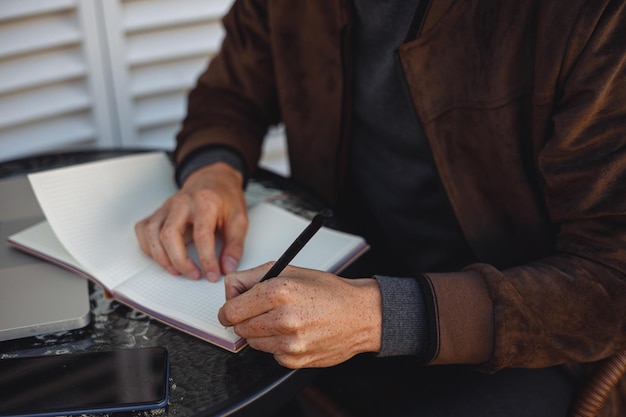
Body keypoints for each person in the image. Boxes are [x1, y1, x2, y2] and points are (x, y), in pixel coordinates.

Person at [135, 1, 626, 416]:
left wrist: (380, 315)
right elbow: (229, 94)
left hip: (523, 337)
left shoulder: (590, 15)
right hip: (337, 276)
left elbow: (610, 278)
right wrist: (213, 171)